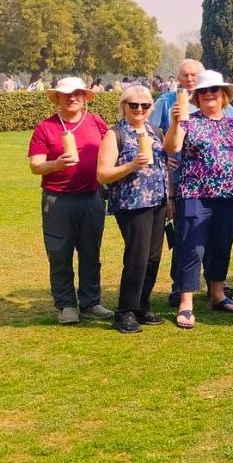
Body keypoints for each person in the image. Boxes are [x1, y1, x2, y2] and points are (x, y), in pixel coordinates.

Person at [164, 70, 233, 328]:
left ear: (223, 95)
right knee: (192, 247)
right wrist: (175, 123)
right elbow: (173, 148)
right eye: (203, 91)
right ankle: (186, 302)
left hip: (227, 195)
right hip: (195, 194)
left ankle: (217, 294)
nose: (209, 94)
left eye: (214, 90)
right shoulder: (189, 120)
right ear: (196, 97)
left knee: (221, 245)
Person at [27, 77, 112, 325]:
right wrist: (56, 164)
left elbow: (113, 149)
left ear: (85, 97)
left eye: (77, 93)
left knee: (90, 252)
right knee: (59, 254)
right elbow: (35, 165)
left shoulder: (96, 122)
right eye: (66, 94)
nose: (72, 97)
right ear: (58, 98)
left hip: (92, 195)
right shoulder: (46, 127)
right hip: (58, 198)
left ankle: (90, 302)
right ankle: (65, 305)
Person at [96, 85, 170, 333]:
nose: (140, 109)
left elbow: (164, 166)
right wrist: (131, 165)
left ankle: (142, 304)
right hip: (132, 203)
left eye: (145, 105)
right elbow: (103, 174)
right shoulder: (115, 134)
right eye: (134, 105)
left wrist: (169, 199)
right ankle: (125, 310)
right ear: (124, 106)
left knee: (153, 257)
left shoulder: (155, 131)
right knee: (137, 257)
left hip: (158, 201)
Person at [149, 59, 233, 132]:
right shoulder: (165, 102)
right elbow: (150, 129)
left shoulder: (213, 100)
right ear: (179, 79)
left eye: (194, 75)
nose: (189, 79)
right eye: (185, 75)